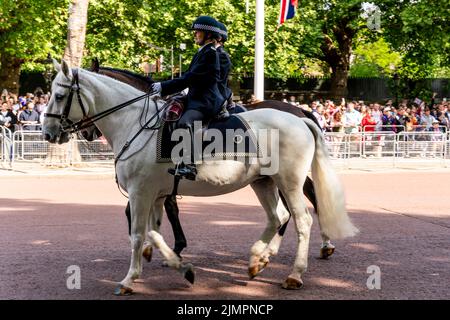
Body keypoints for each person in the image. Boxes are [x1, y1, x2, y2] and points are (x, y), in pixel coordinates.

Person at [150, 16, 225, 180]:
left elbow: (191, 78)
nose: (195, 35)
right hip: (196, 97)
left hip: (206, 101)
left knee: (185, 122)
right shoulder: (203, 52)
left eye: (198, 32)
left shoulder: (210, 54)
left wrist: (164, 86)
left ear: (208, 34)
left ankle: (190, 165)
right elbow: (188, 77)